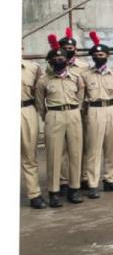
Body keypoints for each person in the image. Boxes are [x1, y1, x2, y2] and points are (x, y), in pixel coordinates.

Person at [36, 35, 85, 207]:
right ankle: (54, 192)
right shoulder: (44, 81)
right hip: (54, 116)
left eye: (62, 58)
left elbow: (80, 96)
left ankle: (74, 189)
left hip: (73, 114)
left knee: (75, 153)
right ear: (50, 61)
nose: (59, 60)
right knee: (54, 155)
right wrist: (49, 117)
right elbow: (40, 104)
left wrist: (74, 111)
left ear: (67, 60)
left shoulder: (76, 78)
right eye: (55, 59)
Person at [81, 32, 113, 198]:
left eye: (102, 54)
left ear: (107, 56)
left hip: (111, 109)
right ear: (92, 57)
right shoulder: (85, 75)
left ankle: (110, 180)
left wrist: (112, 107)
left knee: (111, 147)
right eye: (96, 55)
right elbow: (82, 98)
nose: (99, 57)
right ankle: (92, 184)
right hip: (94, 110)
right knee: (94, 149)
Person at [20, 52, 44, 208]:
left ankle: (34, 194)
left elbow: (39, 93)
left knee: (29, 154)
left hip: (26, 109)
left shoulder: (33, 68)